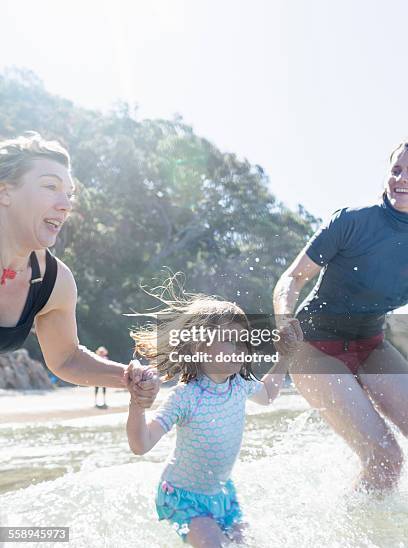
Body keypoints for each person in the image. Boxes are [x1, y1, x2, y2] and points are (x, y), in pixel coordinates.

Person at [273, 140, 408, 492]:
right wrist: (284, 319)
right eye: (396, 170)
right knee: (386, 458)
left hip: (371, 344)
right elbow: (293, 277)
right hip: (314, 348)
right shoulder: (351, 221)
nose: (401, 179)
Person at [0, 132, 158, 406]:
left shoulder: (53, 282)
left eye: (70, 195)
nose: (66, 205)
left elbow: (66, 359)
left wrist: (127, 376)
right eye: (50, 186)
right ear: (4, 192)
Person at [126, 292, 296, 547]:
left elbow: (269, 394)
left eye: (242, 341)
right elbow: (141, 445)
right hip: (183, 497)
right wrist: (137, 404)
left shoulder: (240, 385)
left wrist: (285, 357)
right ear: (199, 346)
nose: (239, 348)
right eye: (229, 340)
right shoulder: (186, 396)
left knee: (245, 544)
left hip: (222, 494)